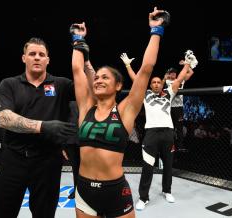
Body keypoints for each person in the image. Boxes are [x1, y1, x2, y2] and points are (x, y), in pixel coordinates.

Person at [71, 6, 167, 218]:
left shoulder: (125, 110)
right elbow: (78, 70)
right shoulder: (86, 107)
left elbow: (146, 68)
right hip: (84, 188)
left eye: (105, 77)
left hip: (115, 191)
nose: (98, 80)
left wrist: (156, 30)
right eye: (97, 77)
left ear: (117, 85)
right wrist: (78, 39)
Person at [0, 37, 77, 218]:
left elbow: (88, 90)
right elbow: (4, 119)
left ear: (48, 60)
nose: (37, 57)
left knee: (44, 214)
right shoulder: (9, 84)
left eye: (41, 54)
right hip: (14, 159)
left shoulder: (61, 84)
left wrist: (82, 51)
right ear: (24, 58)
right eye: (32, 54)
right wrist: (43, 126)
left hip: (48, 162)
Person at [121, 50, 197, 210]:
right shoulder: (145, 94)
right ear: (150, 85)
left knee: (168, 165)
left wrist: (188, 63)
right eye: (153, 82)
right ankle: (143, 197)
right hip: (151, 134)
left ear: (162, 84)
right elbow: (136, 79)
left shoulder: (169, 93)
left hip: (168, 133)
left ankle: (167, 191)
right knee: (147, 167)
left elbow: (181, 77)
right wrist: (128, 65)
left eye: (158, 82)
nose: (156, 84)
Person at [62, 101, 80, 199]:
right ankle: (77, 190)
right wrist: (63, 146)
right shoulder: (65, 99)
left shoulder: (89, 97)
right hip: (70, 140)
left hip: (86, 139)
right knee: (75, 168)